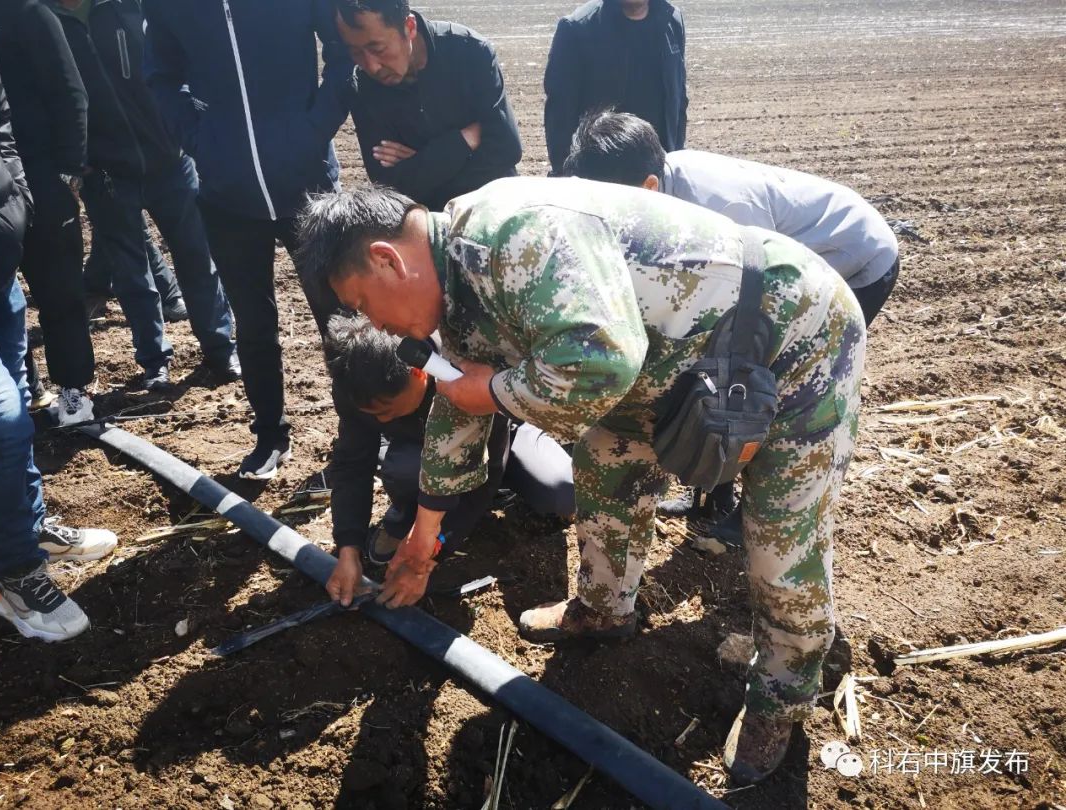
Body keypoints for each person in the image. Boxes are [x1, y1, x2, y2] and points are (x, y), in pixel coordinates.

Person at [297, 178, 866, 785]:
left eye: (361, 304)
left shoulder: (516, 239)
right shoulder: (455, 285)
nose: (370, 323)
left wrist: (493, 390)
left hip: (793, 341)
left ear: (387, 259)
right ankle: (603, 609)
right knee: (604, 467)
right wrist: (424, 540)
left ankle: (780, 699)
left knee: (783, 545)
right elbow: (460, 406)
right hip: (669, 368)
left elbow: (599, 363)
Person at [563, 110, 900, 521]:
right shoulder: (659, 185)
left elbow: (752, 307)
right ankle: (713, 495)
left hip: (854, 261)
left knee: (764, 386)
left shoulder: (722, 210)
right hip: (785, 270)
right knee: (722, 381)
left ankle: (757, 516)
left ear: (649, 186)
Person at [144, 0, 354, 479]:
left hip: (307, 185)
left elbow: (342, 50)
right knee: (253, 322)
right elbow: (161, 74)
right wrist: (200, 139)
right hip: (226, 194)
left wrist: (315, 128)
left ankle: (363, 429)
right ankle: (269, 434)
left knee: (338, 313)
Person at [0, 36, 116, 643]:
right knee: (2, 418)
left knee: (14, 395)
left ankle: (26, 530)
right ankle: (11, 574)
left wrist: (11, 190)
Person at [47, 0, 239, 391]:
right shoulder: (47, 21)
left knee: (197, 259)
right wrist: (76, 159)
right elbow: (46, 97)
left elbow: (180, 60)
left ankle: (221, 347)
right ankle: (154, 360)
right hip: (106, 174)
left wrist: (185, 129)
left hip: (169, 159)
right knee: (132, 273)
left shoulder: (128, 7)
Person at [321, 315, 575, 607]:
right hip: (421, 454)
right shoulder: (354, 383)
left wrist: (427, 556)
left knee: (564, 494)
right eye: (373, 415)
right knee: (406, 469)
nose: (380, 422)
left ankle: (466, 507)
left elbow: (490, 470)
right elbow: (352, 464)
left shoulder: (460, 369)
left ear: (419, 374)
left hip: (504, 437)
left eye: (387, 411)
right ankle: (406, 517)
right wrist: (348, 548)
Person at [0, 0, 96, 424]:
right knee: (2, 294)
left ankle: (74, 394)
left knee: (60, 292)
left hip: (44, 180)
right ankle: (24, 388)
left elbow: (72, 94)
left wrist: (69, 170)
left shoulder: (30, 14)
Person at [334, 0, 521, 210]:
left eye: (377, 49)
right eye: (356, 52)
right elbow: (389, 187)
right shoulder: (362, 87)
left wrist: (422, 162)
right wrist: (463, 141)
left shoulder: (470, 52)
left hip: (495, 208)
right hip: (428, 225)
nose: (371, 66)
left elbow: (507, 150)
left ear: (410, 27)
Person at [543, 0, 687, 174]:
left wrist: (674, 161)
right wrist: (566, 176)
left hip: (659, 172)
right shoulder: (577, 30)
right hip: (602, 177)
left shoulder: (671, 20)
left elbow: (679, 102)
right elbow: (560, 117)